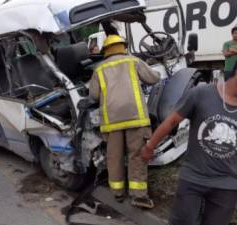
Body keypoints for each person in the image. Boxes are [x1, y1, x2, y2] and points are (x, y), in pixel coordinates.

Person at [141, 61, 237, 225]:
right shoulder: (201, 93)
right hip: (194, 178)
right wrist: (150, 146)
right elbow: (171, 121)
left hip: (227, 184)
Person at [89, 35, 160, 209]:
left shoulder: (99, 69)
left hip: (112, 122)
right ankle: (138, 196)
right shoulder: (133, 61)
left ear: (106, 50)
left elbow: (94, 95)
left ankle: (118, 193)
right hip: (136, 119)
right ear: (123, 46)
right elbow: (153, 78)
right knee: (136, 156)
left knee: (114, 157)